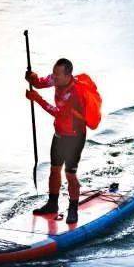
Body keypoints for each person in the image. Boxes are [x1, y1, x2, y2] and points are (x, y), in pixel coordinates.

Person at [24, 58, 86, 224]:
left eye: (57, 75)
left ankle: (73, 209)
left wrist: (37, 99)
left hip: (75, 136)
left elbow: (58, 112)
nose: (54, 77)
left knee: (70, 174)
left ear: (68, 75)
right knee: (54, 170)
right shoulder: (56, 78)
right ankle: (52, 204)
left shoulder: (74, 94)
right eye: (54, 73)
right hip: (60, 133)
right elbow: (40, 83)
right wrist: (33, 78)